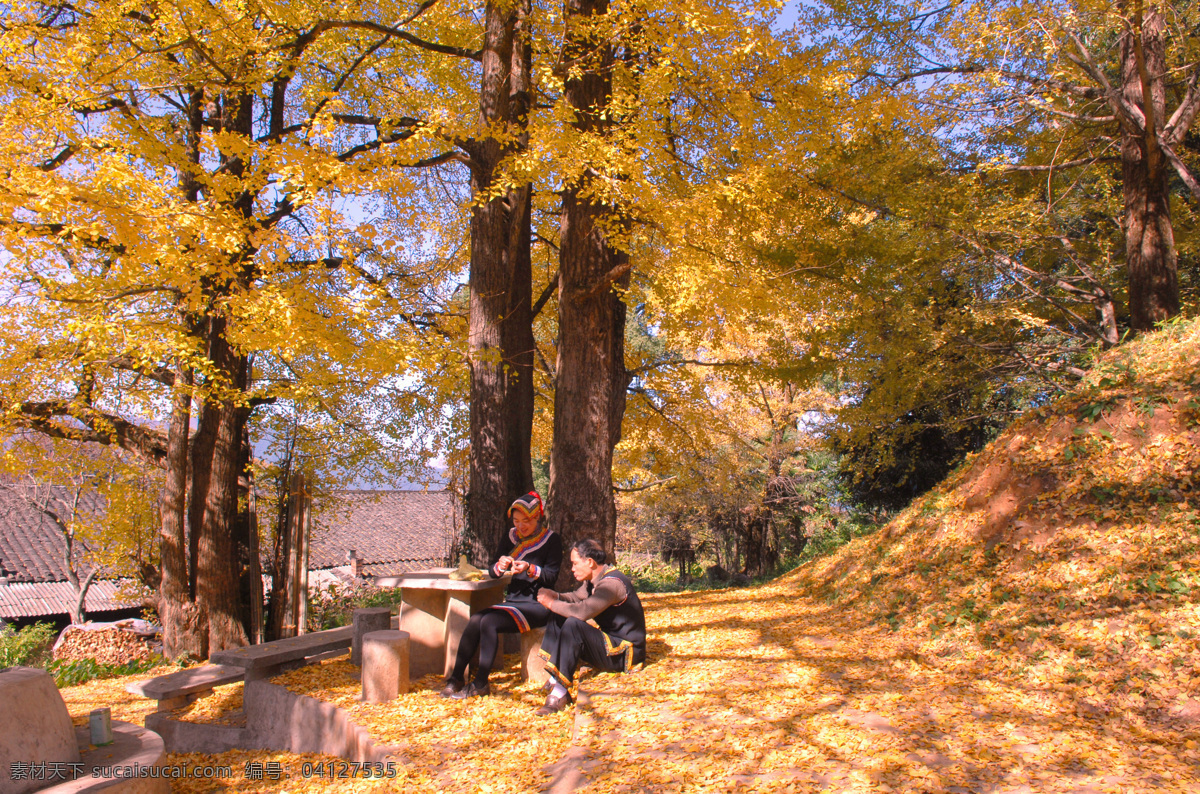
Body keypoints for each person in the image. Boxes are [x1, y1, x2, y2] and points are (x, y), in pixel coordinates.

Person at [441, 491, 563, 699]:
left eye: (526, 521)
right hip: (514, 600)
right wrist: (501, 565)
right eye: (516, 521)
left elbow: (551, 576)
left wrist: (530, 568)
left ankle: (480, 683)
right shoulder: (510, 537)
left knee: (489, 622)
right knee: (476, 620)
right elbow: (492, 571)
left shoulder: (552, 540)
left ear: (536, 518)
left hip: (538, 603)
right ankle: (456, 678)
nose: (520, 526)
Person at [533, 538, 646, 716]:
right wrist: (554, 596)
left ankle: (561, 694)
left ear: (590, 562)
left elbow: (583, 611)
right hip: (610, 646)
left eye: (575, 563)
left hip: (625, 654)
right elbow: (576, 598)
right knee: (560, 613)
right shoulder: (594, 580)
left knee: (573, 623)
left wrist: (551, 603)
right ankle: (555, 678)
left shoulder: (611, 584)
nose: (572, 569)